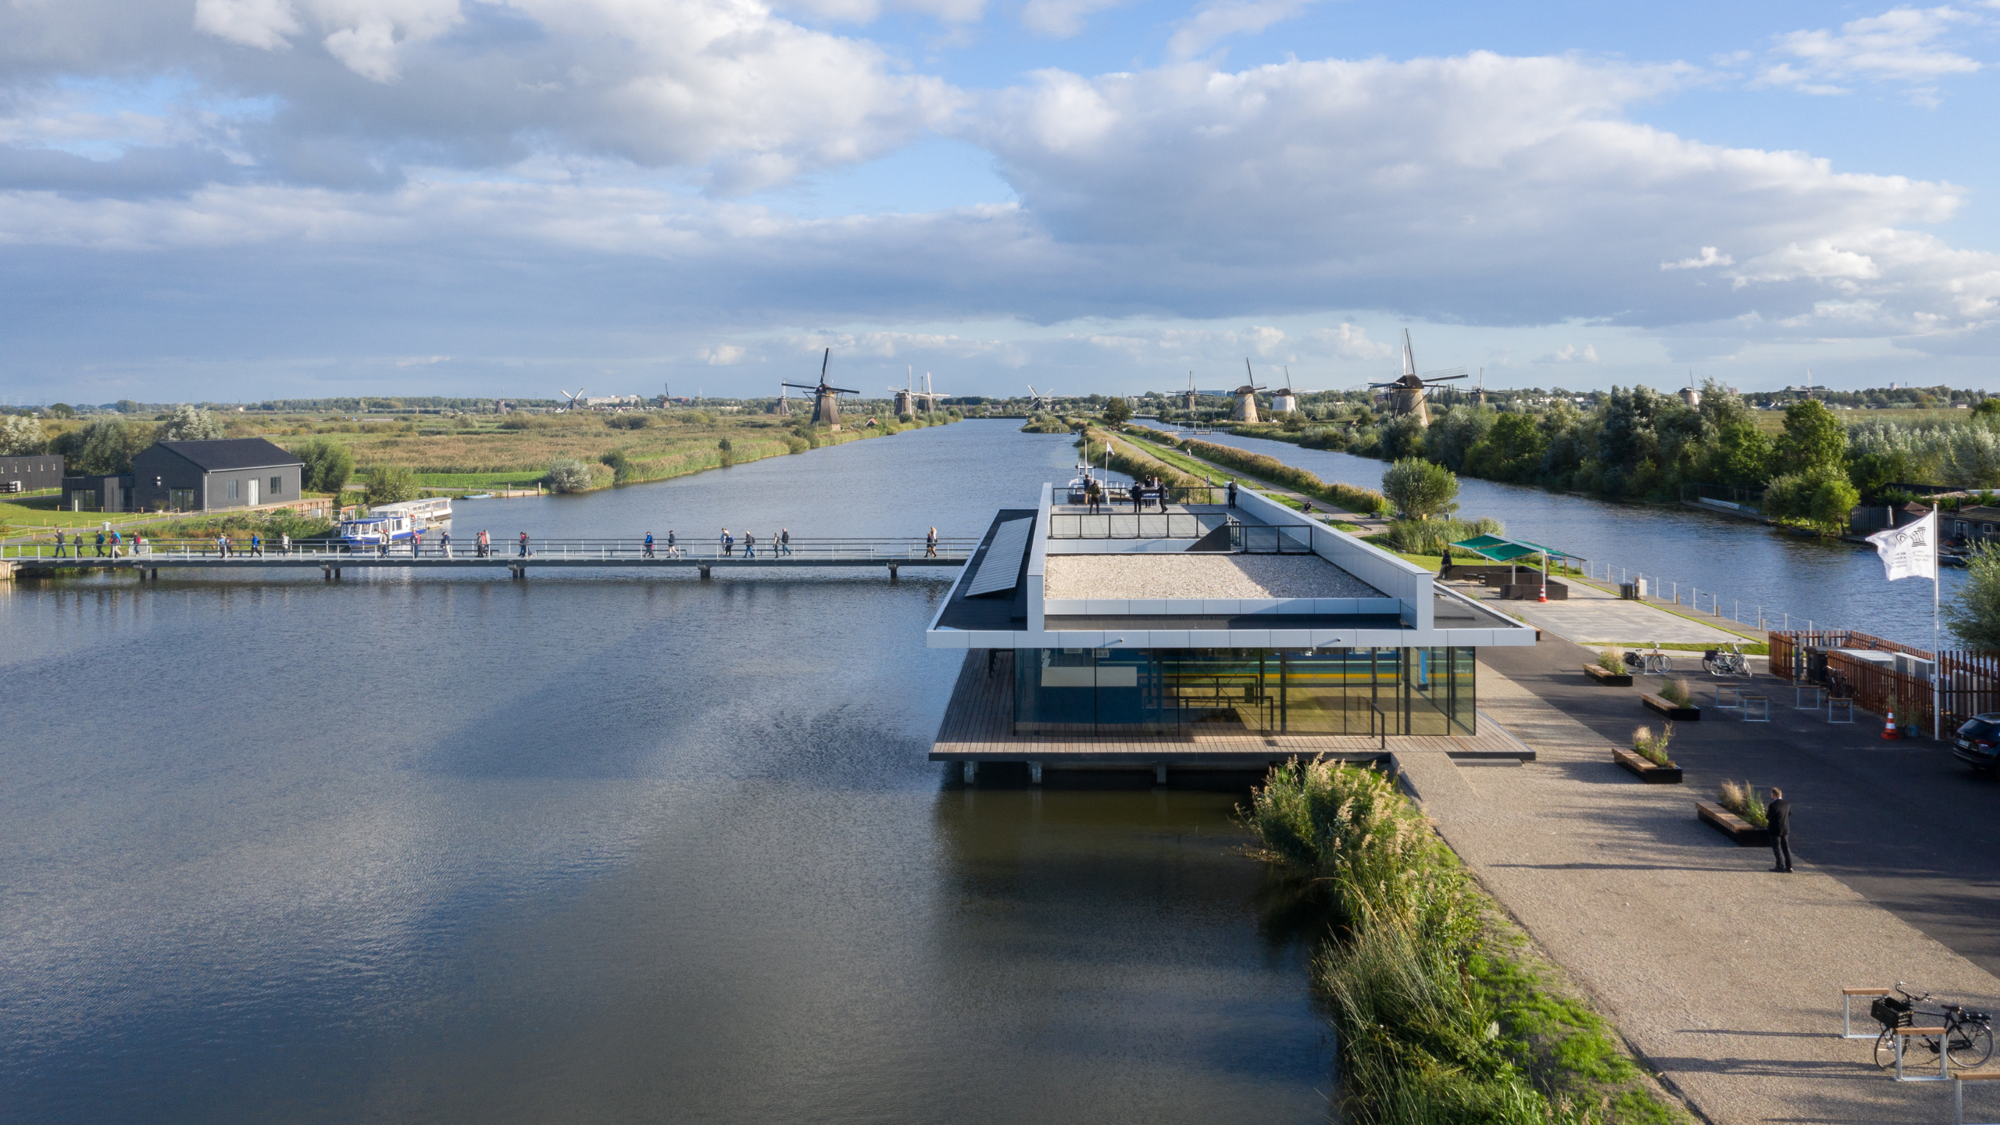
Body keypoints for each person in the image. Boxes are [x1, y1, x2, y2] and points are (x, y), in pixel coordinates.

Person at [1767, 788, 1793, 872]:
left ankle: (1780, 865)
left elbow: (1768, 817)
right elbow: (1789, 814)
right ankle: (1789, 866)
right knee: (1786, 847)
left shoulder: (1772, 805)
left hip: (1775, 829)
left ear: (1773, 795)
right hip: (1785, 828)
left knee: (1776, 847)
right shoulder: (1787, 804)